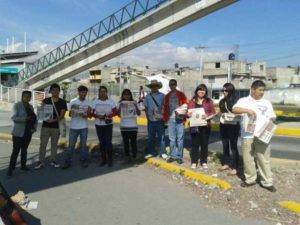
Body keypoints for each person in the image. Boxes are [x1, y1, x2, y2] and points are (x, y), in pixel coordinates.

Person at [232, 80, 277, 192]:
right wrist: (248, 110)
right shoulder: (243, 100)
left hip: (262, 135)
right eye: (260, 90)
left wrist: (270, 124)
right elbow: (234, 109)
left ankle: (267, 182)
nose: (262, 92)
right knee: (248, 159)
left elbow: (272, 117)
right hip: (248, 135)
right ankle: (250, 179)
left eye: (263, 90)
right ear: (252, 89)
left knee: (264, 159)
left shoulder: (266, 102)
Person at [35, 83, 68, 169]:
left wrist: (53, 120)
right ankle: (40, 162)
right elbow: (41, 113)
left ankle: (53, 160)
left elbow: (62, 115)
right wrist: (44, 117)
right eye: (53, 90)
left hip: (56, 127)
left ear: (59, 91)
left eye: (57, 90)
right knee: (43, 144)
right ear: (50, 91)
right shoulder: (45, 101)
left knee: (54, 145)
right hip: (45, 126)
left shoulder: (62, 102)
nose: (55, 92)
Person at [7, 91, 37, 177]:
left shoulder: (30, 107)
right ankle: (10, 169)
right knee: (15, 151)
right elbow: (14, 117)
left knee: (24, 150)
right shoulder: (17, 105)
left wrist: (34, 128)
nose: (27, 98)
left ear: (30, 98)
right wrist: (25, 119)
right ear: (22, 97)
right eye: (25, 96)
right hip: (18, 133)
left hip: (28, 132)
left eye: (28, 97)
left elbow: (34, 118)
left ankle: (23, 166)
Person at [62, 85, 92, 169]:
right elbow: (70, 114)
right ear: (78, 92)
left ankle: (83, 160)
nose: (84, 94)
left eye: (85, 92)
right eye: (82, 92)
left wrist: (85, 115)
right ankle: (68, 161)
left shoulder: (88, 102)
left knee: (83, 145)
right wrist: (76, 112)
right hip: (74, 127)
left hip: (84, 127)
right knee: (71, 145)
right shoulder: (73, 101)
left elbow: (89, 115)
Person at [188, 84, 215, 169]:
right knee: (195, 144)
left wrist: (207, 115)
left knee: (204, 144)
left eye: (203, 90)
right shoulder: (191, 101)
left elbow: (213, 113)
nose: (201, 92)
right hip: (194, 127)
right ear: (196, 91)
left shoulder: (209, 101)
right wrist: (188, 114)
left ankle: (203, 161)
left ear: (206, 92)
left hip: (205, 126)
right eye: (200, 90)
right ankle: (194, 161)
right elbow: (187, 113)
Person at [163, 79, 188, 164]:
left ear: (176, 84)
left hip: (180, 119)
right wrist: (165, 119)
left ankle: (179, 157)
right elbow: (165, 109)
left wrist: (184, 117)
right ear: (169, 85)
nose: (172, 86)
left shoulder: (181, 94)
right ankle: (173, 156)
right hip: (171, 119)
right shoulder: (167, 96)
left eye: (174, 84)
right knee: (172, 139)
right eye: (171, 84)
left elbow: (185, 106)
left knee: (180, 139)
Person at [92, 86, 117, 167]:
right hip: (98, 125)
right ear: (98, 93)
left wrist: (108, 116)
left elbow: (115, 112)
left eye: (104, 91)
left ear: (106, 93)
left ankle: (110, 160)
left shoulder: (111, 101)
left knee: (108, 142)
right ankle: (103, 160)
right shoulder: (95, 101)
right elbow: (91, 112)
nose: (102, 93)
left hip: (108, 125)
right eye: (101, 92)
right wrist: (97, 116)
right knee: (102, 142)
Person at [219, 83, 240, 175]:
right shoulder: (222, 101)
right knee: (225, 144)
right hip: (224, 124)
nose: (224, 92)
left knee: (233, 146)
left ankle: (235, 166)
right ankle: (226, 163)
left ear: (231, 90)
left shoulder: (236, 101)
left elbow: (238, 112)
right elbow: (222, 111)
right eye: (223, 90)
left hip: (234, 125)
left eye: (226, 90)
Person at [143, 80, 166, 159]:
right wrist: (147, 118)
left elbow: (165, 107)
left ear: (158, 87)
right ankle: (151, 152)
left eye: (155, 86)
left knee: (161, 137)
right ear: (151, 87)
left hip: (160, 120)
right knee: (150, 137)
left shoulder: (163, 96)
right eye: (152, 86)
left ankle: (162, 152)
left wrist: (164, 117)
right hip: (151, 120)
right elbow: (145, 108)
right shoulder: (147, 97)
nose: (154, 87)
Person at [118, 89, 141, 163]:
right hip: (124, 127)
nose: (127, 95)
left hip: (133, 126)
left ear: (130, 95)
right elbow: (118, 115)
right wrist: (120, 107)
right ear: (123, 95)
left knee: (133, 142)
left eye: (128, 94)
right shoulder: (120, 103)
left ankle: (134, 156)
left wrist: (136, 106)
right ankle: (127, 157)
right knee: (126, 143)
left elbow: (139, 113)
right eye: (125, 94)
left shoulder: (134, 102)